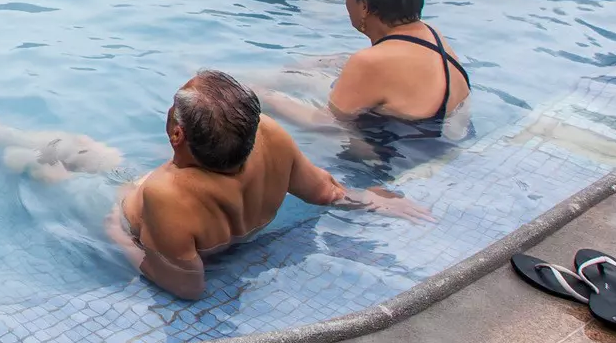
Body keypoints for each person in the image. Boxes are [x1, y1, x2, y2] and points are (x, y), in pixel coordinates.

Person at [109, 72, 426, 298]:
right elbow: (325, 191)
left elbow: (187, 286)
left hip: (183, 237)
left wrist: (117, 236)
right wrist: (366, 198)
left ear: (176, 135)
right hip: (239, 227)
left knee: (91, 176)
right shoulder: (269, 134)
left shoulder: (165, 194)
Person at [260, 0, 471, 141]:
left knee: (269, 93)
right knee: (314, 68)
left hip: (397, 156)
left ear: (364, 6)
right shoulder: (431, 32)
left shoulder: (369, 62)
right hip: (440, 136)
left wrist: (269, 99)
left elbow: (327, 125)